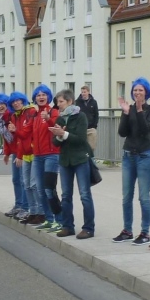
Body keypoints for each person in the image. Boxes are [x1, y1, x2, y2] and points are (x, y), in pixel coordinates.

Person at [113, 77, 150, 246]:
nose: (137, 93)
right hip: (128, 156)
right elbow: (122, 132)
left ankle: (145, 232)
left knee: (144, 197)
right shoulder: (128, 109)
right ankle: (127, 230)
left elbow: (146, 130)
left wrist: (138, 110)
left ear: (146, 93)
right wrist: (125, 113)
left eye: (141, 90)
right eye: (135, 90)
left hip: (144, 155)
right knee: (126, 197)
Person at [50, 89, 95, 239]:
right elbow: (55, 142)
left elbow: (81, 139)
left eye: (61, 101)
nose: (58, 104)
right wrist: (59, 136)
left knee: (85, 194)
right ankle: (67, 226)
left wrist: (64, 134)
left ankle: (88, 228)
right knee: (66, 195)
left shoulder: (80, 116)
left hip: (80, 159)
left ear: (69, 101)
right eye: (57, 102)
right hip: (65, 160)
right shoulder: (60, 118)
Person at [31, 85, 63, 232]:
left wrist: (49, 119)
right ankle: (49, 219)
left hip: (51, 155)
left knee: (50, 189)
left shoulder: (53, 111)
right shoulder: (35, 115)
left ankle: (59, 220)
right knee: (40, 190)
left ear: (48, 97)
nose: (41, 97)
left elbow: (57, 127)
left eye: (43, 94)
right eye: (38, 95)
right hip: (37, 156)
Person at [8, 91, 44, 225]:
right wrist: (19, 155)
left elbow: (26, 133)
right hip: (25, 153)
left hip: (34, 152)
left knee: (34, 185)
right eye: (13, 101)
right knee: (26, 184)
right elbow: (19, 139)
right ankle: (33, 212)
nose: (16, 103)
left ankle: (40, 212)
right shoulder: (15, 115)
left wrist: (15, 131)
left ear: (23, 100)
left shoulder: (30, 112)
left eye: (18, 100)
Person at [0, 94, 28, 219]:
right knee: (16, 179)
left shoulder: (11, 116)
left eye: (2, 104)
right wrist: (6, 153)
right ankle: (18, 205)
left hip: (21, 151)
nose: (0, 106)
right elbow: (5, 137)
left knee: (23, 180)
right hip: (14, 151)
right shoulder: (0, 118)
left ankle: (25, 207)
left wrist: (19, 155)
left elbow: (18, 136)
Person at [77, 85, 99, 152]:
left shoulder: (94, 102)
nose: (83, 94)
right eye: (82, 92)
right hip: (81, 128)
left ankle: (90, 158)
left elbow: (96, 114)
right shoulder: (77, 102)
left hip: (91, 128)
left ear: (88, 92)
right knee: (81, 147)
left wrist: (94, 125)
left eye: (85, 92)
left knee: (91, 147)